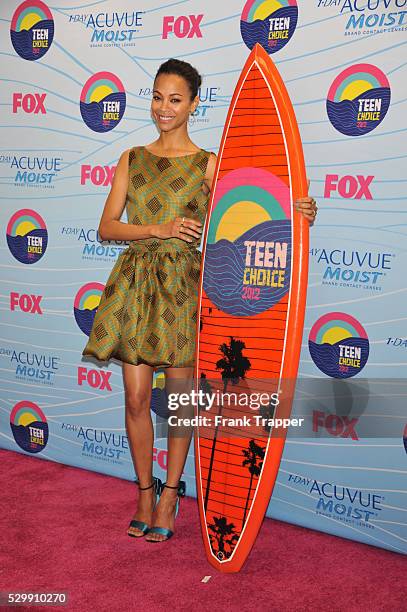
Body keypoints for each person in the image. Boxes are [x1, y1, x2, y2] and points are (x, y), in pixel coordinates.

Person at [82, 58, 318, 543]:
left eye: (175, 99)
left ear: (192, 104)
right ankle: (144, 491)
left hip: (186, 289)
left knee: (178, 403)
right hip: (135, 284)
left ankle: (171, 493)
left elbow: (252, 205)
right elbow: (106, 227)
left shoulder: (209, 163)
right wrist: (158, 228)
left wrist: (297, 209)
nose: (163, 108)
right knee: (135, 399)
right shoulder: (132, 158)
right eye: (157, 97)